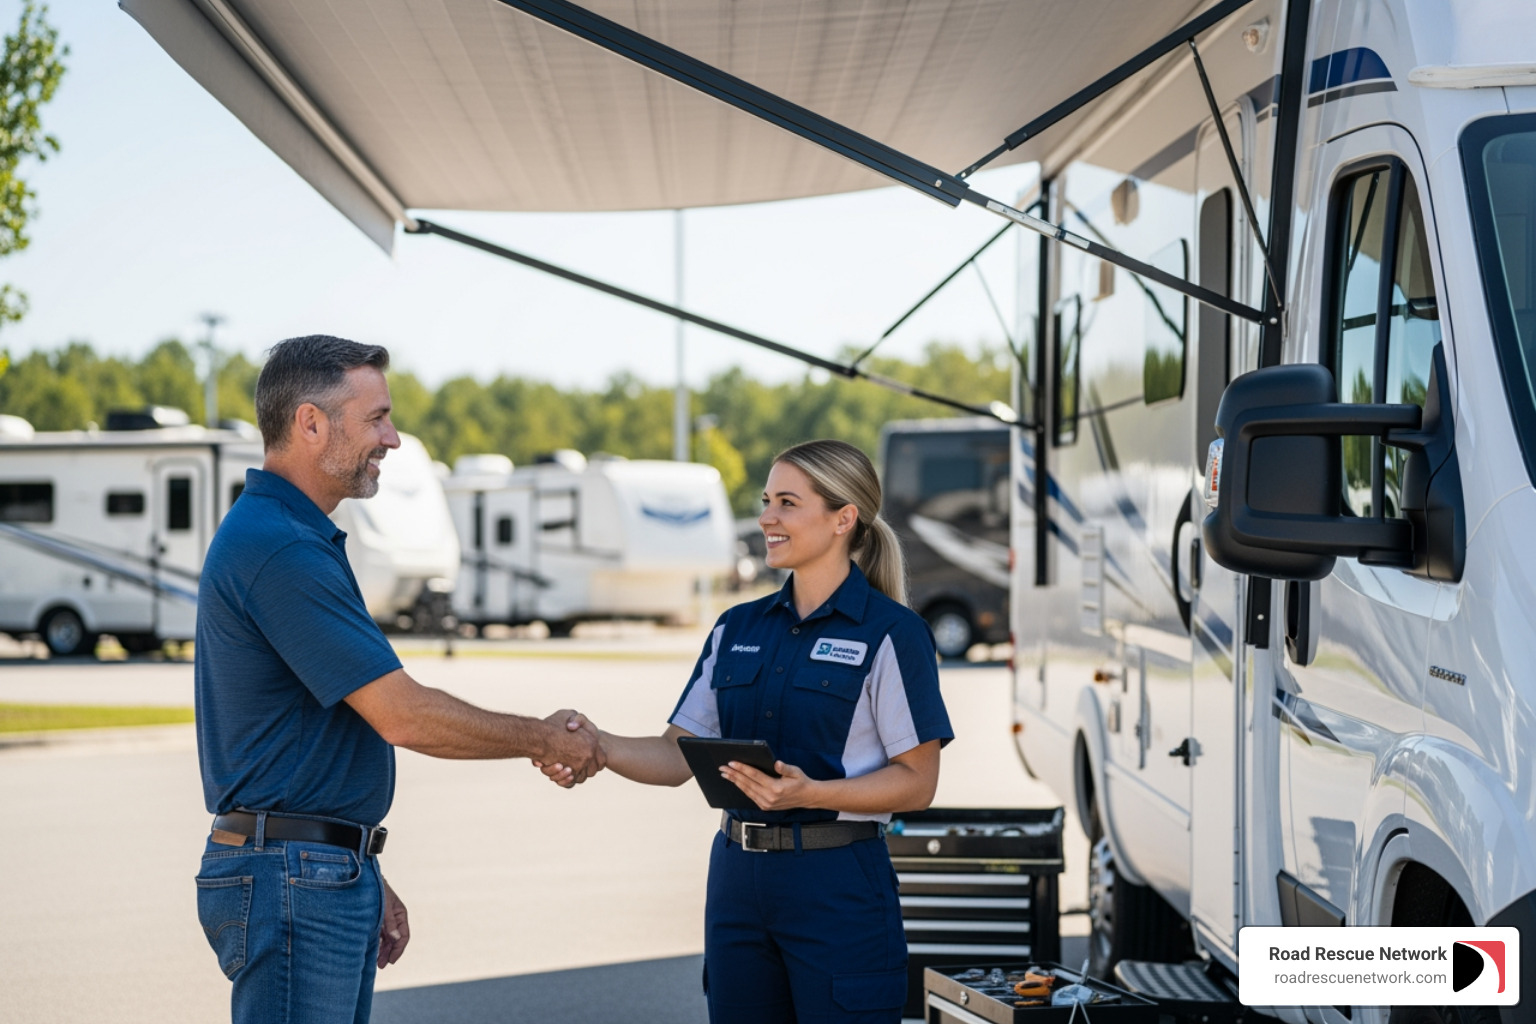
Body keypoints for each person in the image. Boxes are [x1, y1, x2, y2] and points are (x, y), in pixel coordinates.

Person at [192, 335, 604, 1024]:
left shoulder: (292, 533)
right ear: (311, 423)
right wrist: (542, 738)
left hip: (312, 867)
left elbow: (319, 733)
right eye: (377, 417)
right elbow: (402, 714)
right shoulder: (281, 546)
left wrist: (357, 860)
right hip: (294, 876)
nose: (394, 438)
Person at [541, 439, 953, 1024]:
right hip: (738, 881)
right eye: (767, 500)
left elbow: (917, 782)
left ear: (843, 519)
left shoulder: (893, 634)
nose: (766, 518)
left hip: (838, 886)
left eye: (787, 502)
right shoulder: (736, 627)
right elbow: (675, 755)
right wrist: (598, 746)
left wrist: (811, 794)